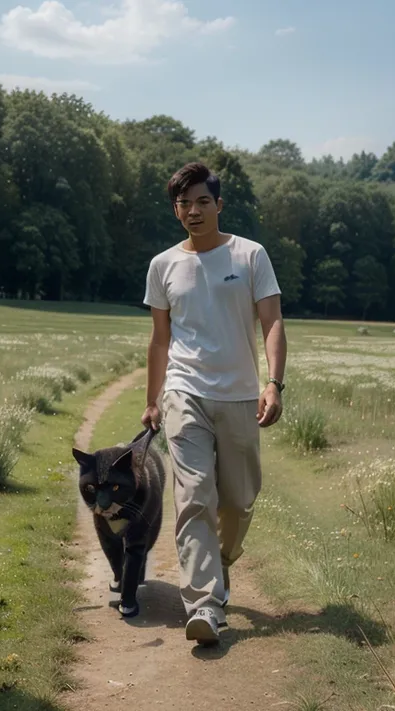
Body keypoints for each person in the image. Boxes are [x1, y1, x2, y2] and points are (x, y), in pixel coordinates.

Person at [141, 161, 287, 645]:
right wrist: (153, 401)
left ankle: (218, 566)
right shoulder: (163, 265)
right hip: (185, 393)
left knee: (239, 500)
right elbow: (160, 341)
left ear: (219, 205)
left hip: (242, 394)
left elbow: (272, 323)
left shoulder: (250, 256)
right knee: (195, 495)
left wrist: (274, 383)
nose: (193, 211)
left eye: (203, 201)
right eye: (184, 203)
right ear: (175, 210)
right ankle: (204, 604)